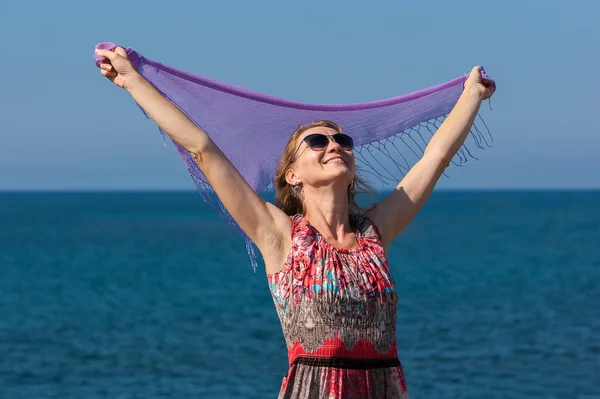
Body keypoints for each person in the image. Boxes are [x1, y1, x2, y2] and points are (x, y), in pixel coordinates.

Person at [95, 46, 495, 399]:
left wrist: (472, 95)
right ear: (292, 175)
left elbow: (434, 159)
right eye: (318, 142)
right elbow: (203, 148)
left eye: (342, 142)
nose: (335, 146)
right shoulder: (280, 234)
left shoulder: (375, 232)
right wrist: (131, 81)